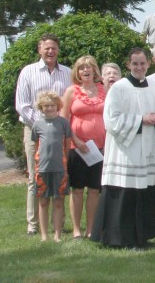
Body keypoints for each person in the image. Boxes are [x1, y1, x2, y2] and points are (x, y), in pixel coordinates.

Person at [90, 48, 155, 248]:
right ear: (128, 65)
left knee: (144, 193)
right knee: (125, 193)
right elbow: (111, 120)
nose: (139, 67)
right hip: (126, 151)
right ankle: (118, 238)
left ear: (148, 64)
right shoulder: (119, 88)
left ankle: (141, 237)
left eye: (142, 63)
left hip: (147, 148)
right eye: (135, 64)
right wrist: (141, 120)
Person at [15, 33, 72, 235]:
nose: (50, 51)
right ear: (40, 49)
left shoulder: (66, 72)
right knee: (35, 175)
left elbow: (70, 102)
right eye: (46, 48)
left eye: (54, 48)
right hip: (34, 131)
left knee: (60, 175)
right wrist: (40, 124)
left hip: (59, 134)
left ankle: (60, 224)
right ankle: (33, 225)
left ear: (58, 50)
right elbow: (22, 104)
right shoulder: (28, 72)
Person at [59, 55, 106, 239]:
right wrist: (76, 141)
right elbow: (63, 119)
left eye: (89, 68)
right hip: (77, 148)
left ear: (95, 71)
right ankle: (77, 229)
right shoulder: (72, 91)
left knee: (94, 189)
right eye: (81, 68)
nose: (86, 71)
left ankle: (91, 228)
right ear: (77, 72)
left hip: (99, 148)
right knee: (77, 189)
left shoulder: (104, 90)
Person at [30, 91, 72, 242]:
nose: (49, 108)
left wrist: (65, 160)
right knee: (43, 201)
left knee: (59, 201)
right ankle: (44, 235)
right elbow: (36, 146)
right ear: (41, 107)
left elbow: (67, 143)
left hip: (60, 168)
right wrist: (37, 163)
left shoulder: (63, 123)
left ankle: (57, 234)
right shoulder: (37, 124)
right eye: (46, 106)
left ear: (58, 106)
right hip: (42, 169)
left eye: (52, 105)